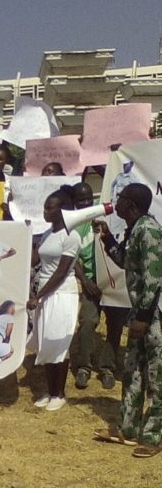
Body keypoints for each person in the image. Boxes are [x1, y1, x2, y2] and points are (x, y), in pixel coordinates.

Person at [95, 183, 162, 457]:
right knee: (133, 371)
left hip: (153, 315)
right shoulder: (135, 229)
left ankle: (154, 435)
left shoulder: (149, 230)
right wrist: (109, 240)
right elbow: (126, 262)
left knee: (157, 376)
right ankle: (128, 428)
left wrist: (144, 317)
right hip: (140, 312)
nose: (116, 203)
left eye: (120, 199)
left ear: (131, 205)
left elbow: (155, 276)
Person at [27, 186, 81, 411]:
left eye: (49, 208)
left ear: (63, 211)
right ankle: (49, 391)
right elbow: (34, 260)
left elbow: (61, 272)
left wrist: (39, 295)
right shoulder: (48, 234)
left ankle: (59, 393)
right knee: (47, 342)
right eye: (44, 207)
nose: (45, 212)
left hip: (62, 293)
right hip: (46, 293)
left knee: (59, 342)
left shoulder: (71, 236)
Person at [71, 183, 115, 390]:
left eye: (88, 199)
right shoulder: (73, 226)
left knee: (115, 326)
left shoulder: (107, 218)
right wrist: (85, 282)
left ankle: (107, 367)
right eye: (80, 200)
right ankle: (84, 367)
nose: (85, 203)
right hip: (91, 284)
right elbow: (72, 258)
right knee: (87, 322)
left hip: (114, 283)